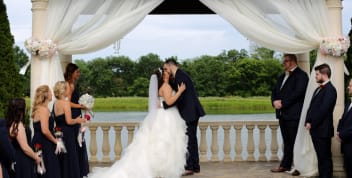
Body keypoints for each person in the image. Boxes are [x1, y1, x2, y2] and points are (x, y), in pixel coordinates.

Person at [89, 69, 187, 178]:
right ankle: (162, 171)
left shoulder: (161, 87)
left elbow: (163, 102)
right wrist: (179, 92)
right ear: (165, 76)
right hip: (166, 117)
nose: (170, 75)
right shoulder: (166, 87)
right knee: (165, 143)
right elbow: (169, 102)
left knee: (157, 143)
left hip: (160, 115)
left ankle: (159, 171)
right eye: (168, 73)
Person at [162, 58, 205, 176]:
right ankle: (195, 166)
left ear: (171, 66)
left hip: (190, 112)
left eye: (166, 68)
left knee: (189, 140)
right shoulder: (180, 76)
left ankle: (190, 167)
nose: (165, 70)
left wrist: (165, 105)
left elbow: (180, 97)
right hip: (191, 111)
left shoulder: (181, 77)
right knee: (192, 139)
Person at [270, 54, 308, 175]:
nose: (283, 63)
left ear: (292, 62)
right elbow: (274, 91)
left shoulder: (302, 75)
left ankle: (298, 167)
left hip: (294, 115)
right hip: (282, 115)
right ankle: (285, 165)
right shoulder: (282, 76)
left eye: (285, 61)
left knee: (295, 142)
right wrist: (274, 102)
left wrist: (283, 103)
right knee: (287, 142)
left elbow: (298, 93)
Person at [305, 63, 336, 178]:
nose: (315, 76)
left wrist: (312, 123)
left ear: (324, 74)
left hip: (323, 130)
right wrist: (307, 121)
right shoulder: (318, 89)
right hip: (316, 129)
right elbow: (312, 107)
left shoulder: (331, 90)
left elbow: (323, 110)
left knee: (325, 158)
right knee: (320, 157)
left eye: (317, 74)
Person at [53, 81, 85, 178]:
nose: (69, 90)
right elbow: (69, 121)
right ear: (64, 91)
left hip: (58, 132)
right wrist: (78, 120)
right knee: (70, 157)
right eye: (67, 88)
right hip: (67, 133)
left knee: (62, 158)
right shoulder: (65, 103)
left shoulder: (55, 103)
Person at [64, 63, 89, 177]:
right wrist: (80, 106)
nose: (79, 74)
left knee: (79, 141)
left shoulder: (72, 84)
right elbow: (67, 103)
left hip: (76, 113)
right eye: (77, 72)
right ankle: (76, 171)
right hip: (73, 115)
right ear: (71, 73)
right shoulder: (69, 85)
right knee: (77, 141)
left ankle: (78, 170)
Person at [5, 98, 41, 178]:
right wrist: (36, 157)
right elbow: (24, 147)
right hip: (22, 159)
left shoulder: (13, 123)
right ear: (21, 110)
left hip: (20, 157)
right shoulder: (18, 125)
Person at [31, 85, 61, 178]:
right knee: (50, 169)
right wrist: (56, 141)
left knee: (44, 170)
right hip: (45, 143)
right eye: (50, 92)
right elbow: (45, 130)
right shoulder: (43, 110)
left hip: (39, 141)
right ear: (46, 95)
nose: (52, 94)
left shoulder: (38, 108)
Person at [337, 78, 352, 178]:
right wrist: (338, 131)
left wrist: (341, 135)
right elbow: (342, 119)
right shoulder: (348, 102)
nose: (348, 87)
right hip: (346, 144)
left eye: (350, 86)